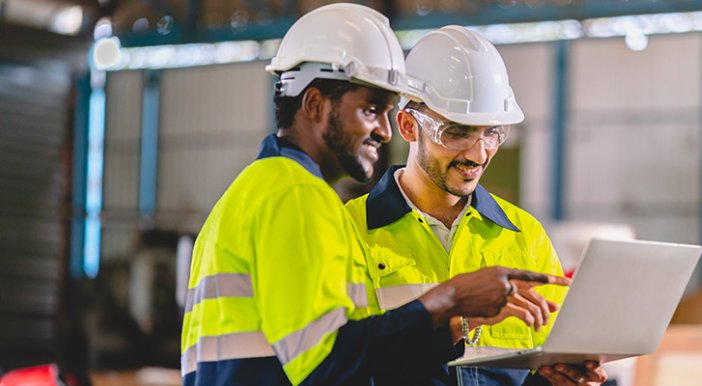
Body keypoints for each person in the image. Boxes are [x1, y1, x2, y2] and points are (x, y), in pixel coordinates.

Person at [180, 6, 567, 386]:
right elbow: (330, 366)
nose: (384, 131)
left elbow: (347, 358)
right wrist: (450, 302)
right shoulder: (299, 196)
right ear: (314, 104)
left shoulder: (260, 187)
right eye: (370, 110)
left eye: (491, 134)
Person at [345, 26, 608, 386]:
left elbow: (539, 367)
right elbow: (340, 364)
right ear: (408, 126)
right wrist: (457, 323)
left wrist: (562, 380)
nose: (478, 153)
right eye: (456, 132)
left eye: (491, 133)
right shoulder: (348, 230)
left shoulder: (524, 236)